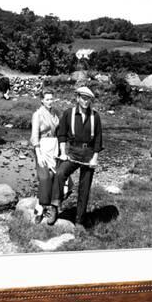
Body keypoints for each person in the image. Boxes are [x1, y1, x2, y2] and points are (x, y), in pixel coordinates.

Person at [48, 86, 103, 226]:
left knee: (84, 188)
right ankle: (54, 207)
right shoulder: (69, 114)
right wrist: (63, 152)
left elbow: (98, 139)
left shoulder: (95, 116)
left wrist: (95, 158)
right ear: (78, 98)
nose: (85, 101)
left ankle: (79, 220)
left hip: (88, 155)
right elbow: (61, 134)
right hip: (72, 153)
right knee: (60, 173)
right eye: (83, 98)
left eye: (88, 99)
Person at [30, 91, 60, 224]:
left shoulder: (54, 113)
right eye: (47, 99)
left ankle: (46, 207)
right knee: (45, 177)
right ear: (42, 100)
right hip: (42, 147)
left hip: (54, 147)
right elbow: (34, 135)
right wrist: (38, 153)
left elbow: (59, 131)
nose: (50, 101)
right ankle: (40, 208)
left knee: (54, 177)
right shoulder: (37, 114)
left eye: (51, 99)